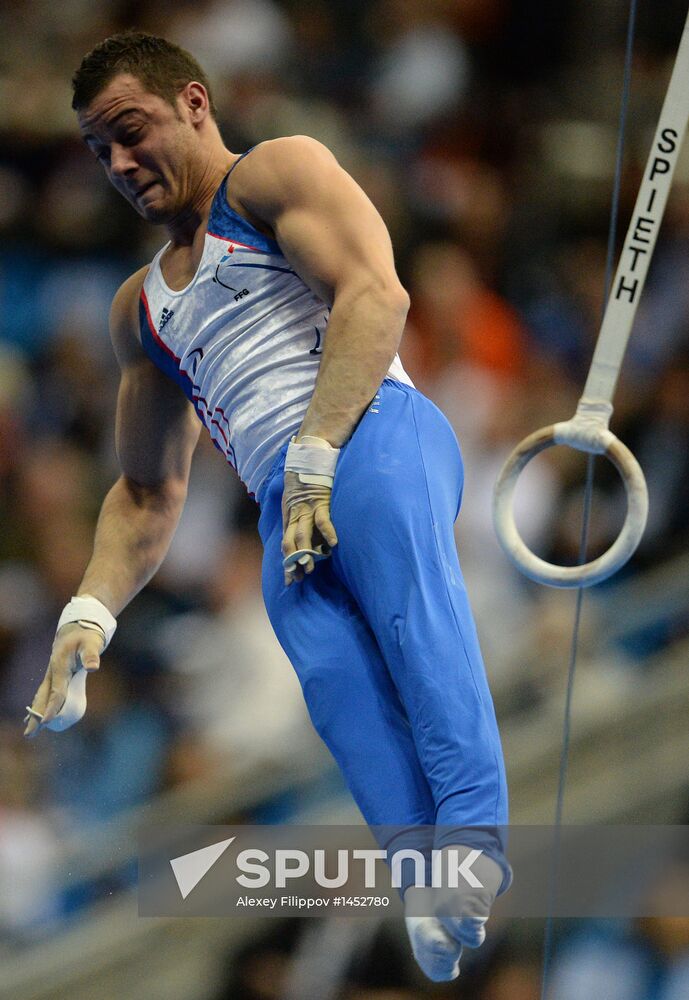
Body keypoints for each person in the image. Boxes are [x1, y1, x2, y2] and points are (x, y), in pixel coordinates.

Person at [23, 32, 511, 981]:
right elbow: (146, 487)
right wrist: (89, 612)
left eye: (130, 131)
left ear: (195, 104)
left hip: (371, 433)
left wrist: (321, 445)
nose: (118, 163)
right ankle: (425, 882)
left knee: (415, 630)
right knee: (338, 691)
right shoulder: (140, 311)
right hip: (286, 500)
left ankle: (476, 846)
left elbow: (375, 293)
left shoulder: (274, 174)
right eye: (97, 150)